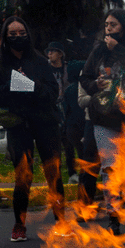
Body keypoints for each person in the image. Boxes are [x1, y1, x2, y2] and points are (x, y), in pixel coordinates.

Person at [0, 16, 64, 242]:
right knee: (23, 175)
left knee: (54, 172)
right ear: (4, 37)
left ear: (28, 34)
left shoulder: (39, 61)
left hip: (45, 123)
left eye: (22, 33)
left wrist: (31, 85)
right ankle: (19, 225)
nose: (18, 37)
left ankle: (61, 220)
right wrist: (14, 84)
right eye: (13, 34)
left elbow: (51, 93)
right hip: (18, 125)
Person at [80, 9, 125, 234]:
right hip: (105, 119)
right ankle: (114, 216)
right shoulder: (98, 51)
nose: (108, 28)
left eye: (113, 24)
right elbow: (85, 77)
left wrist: (117, 50)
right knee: (110, 169)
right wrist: (96, 85)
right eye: (106, 24)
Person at [46, 41, 79, 184]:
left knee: (69, 143)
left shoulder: (68, 69)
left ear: (60, 53)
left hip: (68, 109)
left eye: (52, 51)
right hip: (52, 110)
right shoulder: (45, 69)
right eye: (48, 51)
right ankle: (55, 175)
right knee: (54, 144)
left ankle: (73, 173)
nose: (49, 54)